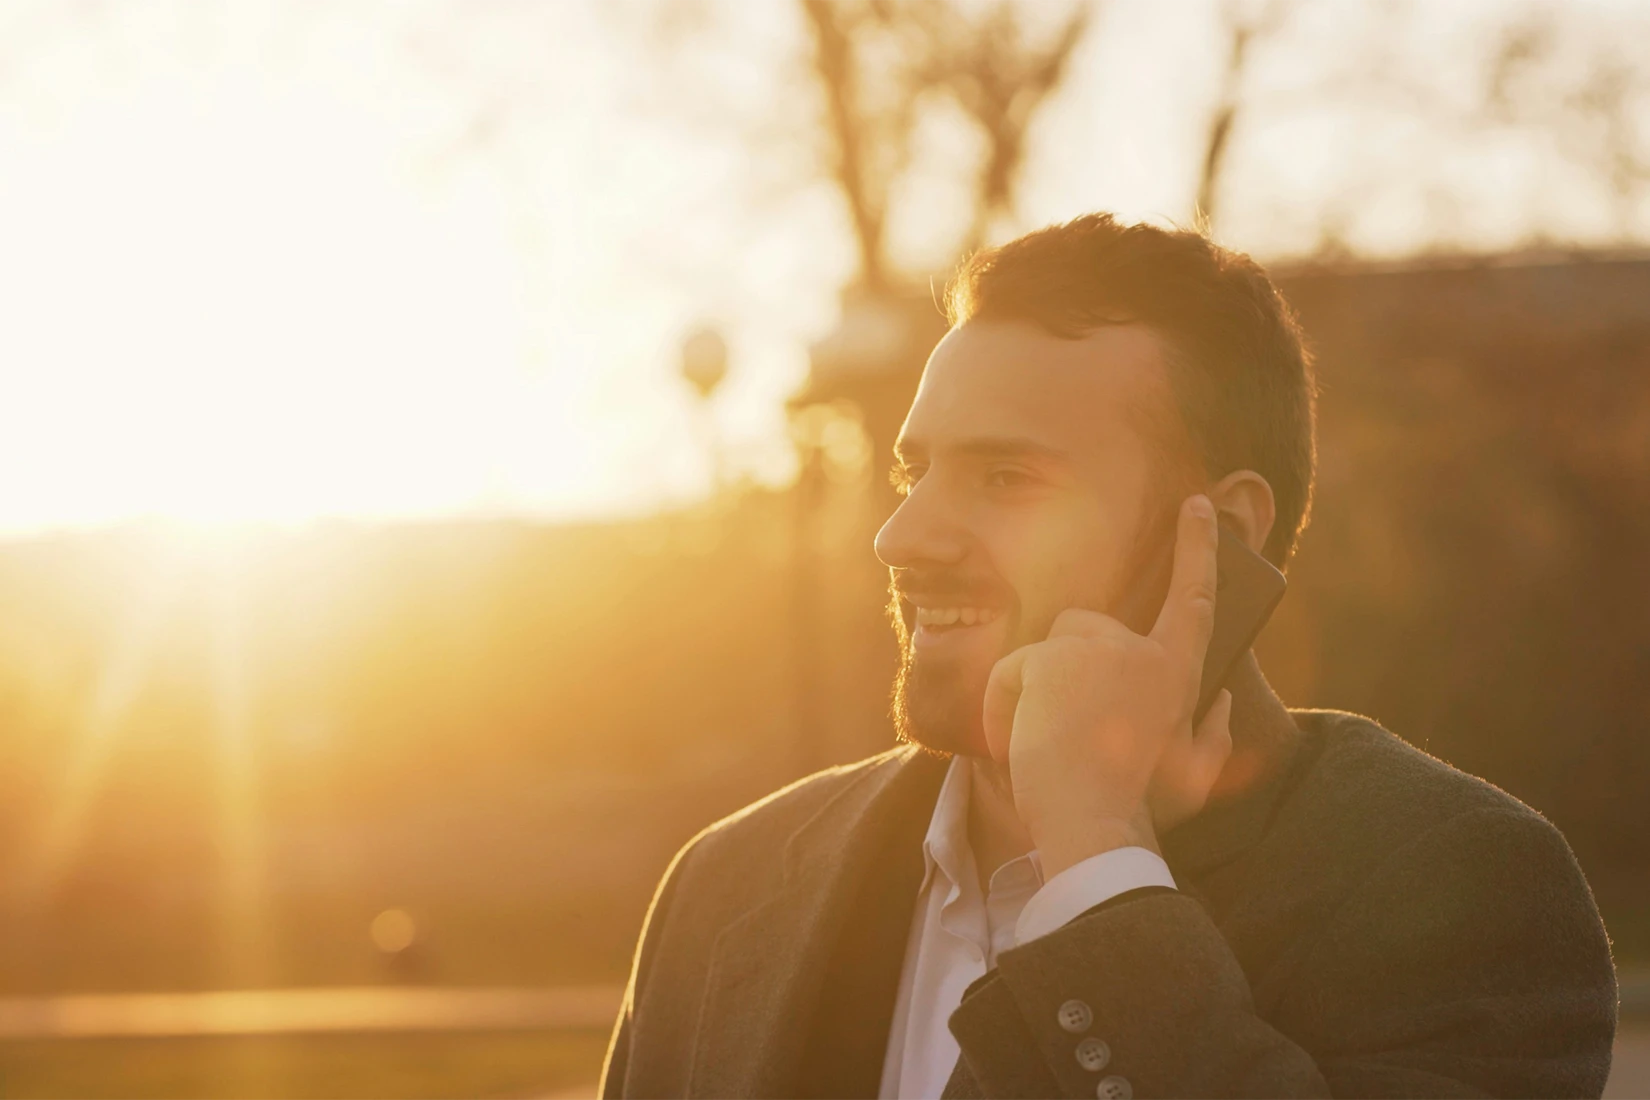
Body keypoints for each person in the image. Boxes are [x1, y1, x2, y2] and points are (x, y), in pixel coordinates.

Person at [599, 215, 1617, 1099]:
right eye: (915, 472)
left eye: (1005, 476)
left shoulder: (1459, 882)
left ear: (1218, 534)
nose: (902, 536)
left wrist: (1095, 861)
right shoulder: (723, 884)